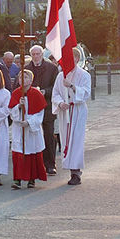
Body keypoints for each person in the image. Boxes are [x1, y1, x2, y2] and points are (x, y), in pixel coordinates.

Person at [52, 46, 91, 186]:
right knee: (66, 140)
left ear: (77, 59)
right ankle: (70, 168)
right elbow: (55, 93)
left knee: (76, 141)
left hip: (77, 110)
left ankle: (76, 172)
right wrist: (60, 102)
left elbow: (86, 93)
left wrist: (72, 86)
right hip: (65, 111)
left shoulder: (84, 75)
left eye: (72, 58)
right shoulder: (60, 75)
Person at [9, 69, 48, 189]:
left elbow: (40, 113)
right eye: (21, 77)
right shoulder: (16, 93)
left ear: (31, 80)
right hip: (19, 127)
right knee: (19, 153)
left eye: (26, 77)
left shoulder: (36, 94)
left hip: (31, 130)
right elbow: (11, 112)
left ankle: (32, 178)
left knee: (31, 152)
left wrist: (29, 122)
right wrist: (18, 107)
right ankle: (17, 179)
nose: (23, 80)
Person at [28, 44, 60, 175]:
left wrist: (44, 91)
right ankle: (36, 164)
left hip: (47, 106)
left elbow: (56, 87)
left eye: (38, 54)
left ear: (42, 55)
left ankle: (50, 164)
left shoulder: (52, 68)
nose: (36, 57)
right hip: (32, 108)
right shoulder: (26, 69)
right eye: (33, 54)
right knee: (34, 135)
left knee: (48, 135)